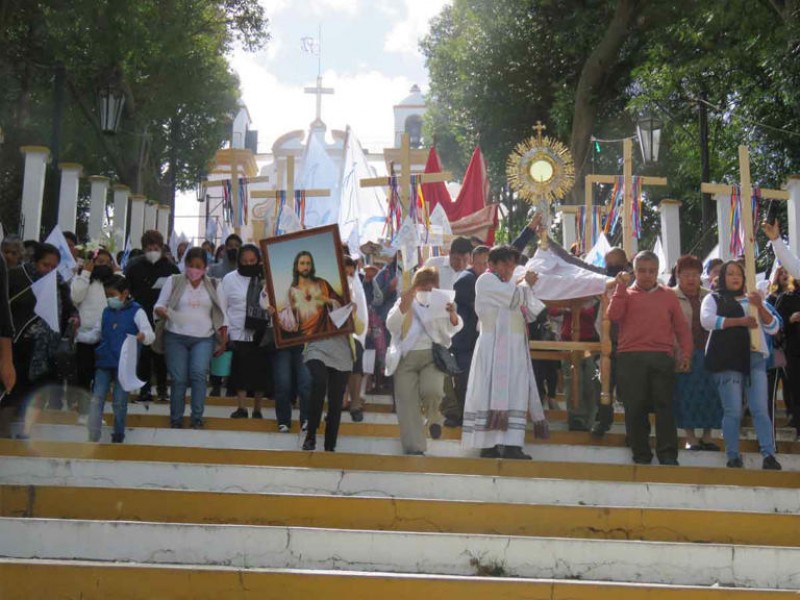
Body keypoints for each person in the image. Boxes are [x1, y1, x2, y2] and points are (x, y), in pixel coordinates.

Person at [462, 245, 549, 459]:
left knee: (516, 390)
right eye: (504, 263)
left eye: (512, 264)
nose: (509, 268)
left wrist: (526, 286)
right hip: (493, 346)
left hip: (515, 346)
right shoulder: (486, 280)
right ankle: (488, 444)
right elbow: (514, 299)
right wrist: (526, 283)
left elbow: (531, 312)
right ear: (491, 264)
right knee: (488, 389)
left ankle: (512, 445)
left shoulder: (510, 283)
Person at [607, 251, 692, 466]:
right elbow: (613, 315)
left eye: (652, 271)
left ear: (657, 271)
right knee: (635, 408)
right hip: (630, 358)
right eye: (642, 271)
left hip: (661, 357)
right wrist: (619, 289)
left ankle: (668, 455)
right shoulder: (624, 292)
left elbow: (682, 328)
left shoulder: (668, 296)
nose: (647, 275)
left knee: (665, 407)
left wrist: (686, 354)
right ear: (633, 271)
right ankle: (641, 455)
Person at [701, 260, 782, 470]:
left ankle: (769, 454)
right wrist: (739, 322)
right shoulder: (713, 298)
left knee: (760, 409)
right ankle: (733, 455)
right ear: (723, 278)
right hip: (727, 359)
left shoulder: (754, 299)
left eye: (739, 274)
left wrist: (760, 307)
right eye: (730, 274)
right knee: (733, 410)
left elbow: (773, 327)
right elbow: (707, 321)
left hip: (755, 358)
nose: (735, 278)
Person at [386, 267, 462, 454]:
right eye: (423, 284)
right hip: (406, 357)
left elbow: (453, 328)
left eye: (431, 284)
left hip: (431, 355)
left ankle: (434, 417)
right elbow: (391, 326)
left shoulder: (444, 301)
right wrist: (403, 308)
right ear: (415, 285)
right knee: (406, 403)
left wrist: (452, 314)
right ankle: (414, 447)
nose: (427, 288)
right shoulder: (404, 301)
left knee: (433, 390)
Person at [2, 243, 76, 437]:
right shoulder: (17, 277)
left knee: (34, 392)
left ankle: (24, 432)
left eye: (54, 266)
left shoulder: (59, 283)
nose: (49, 270)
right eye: (45, 265)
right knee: (12, 390)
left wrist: (73, 317)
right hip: (17, 345)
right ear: (35, 262)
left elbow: (68, 308)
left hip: (43, 349)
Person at [155, 247, 226, 429]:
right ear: (185, 265)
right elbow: (159, 305)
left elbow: (222, 314)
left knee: (198, 374)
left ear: (205, 267)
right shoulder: (174, 281)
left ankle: (197, 418)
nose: (194, 270)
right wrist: (163, 312)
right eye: (190, 265)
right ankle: (176, 418)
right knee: (178, 378)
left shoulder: (215, 284)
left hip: (204, 338)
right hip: (175, 337)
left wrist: (223, 339)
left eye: (198, 266)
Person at [302, 266, 366, 453]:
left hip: (342, 352)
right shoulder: (315, 297)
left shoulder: (349, 304)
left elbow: (360, 330)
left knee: (336, 399)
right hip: (317, 347)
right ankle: (311, 435)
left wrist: (352, 313)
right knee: (319, 382)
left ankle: (330, 445)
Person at [87, 275, 154, 443]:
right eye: (107, 295)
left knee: (119, 401)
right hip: (104, 361)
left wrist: (143, 335)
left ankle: (118, 434)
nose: (109, 298)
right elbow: (95, 334)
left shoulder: (137, 311)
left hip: (124, 365)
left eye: (112, 294)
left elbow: (150, 334)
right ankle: (93, 433)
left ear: (125, 293)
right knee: (97, 398)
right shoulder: (106, 312)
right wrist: (77, 336)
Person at [672, 255, 722, 451]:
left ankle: (708, 436)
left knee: (711, 393)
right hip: (683, 352)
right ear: (678, 275)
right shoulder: (670, 296)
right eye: (686, 275)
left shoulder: (711, 296)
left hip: (710, 351)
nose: (691, 279)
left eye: (695, 275)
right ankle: (690, 437)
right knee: (685, 395)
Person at [218, 244, 274, 421]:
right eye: (244, 261)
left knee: (260, 371)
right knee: (240, 370)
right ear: (239, 261)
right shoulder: (229, 279)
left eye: (252, 261)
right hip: (238, 330)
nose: (249, 264)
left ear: (258, 260)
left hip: (262, 331)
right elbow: (222, 307)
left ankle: (257, 409)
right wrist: (224, 331)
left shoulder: (267, 279)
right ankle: (241, 407)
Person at [125, 230, 179, 403]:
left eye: (156, 247)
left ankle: (163, 390)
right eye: (149, 248)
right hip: (140, 316)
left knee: (161, 355)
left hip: (163, 319)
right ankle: (144, 390)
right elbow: (127, 290)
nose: (153, 251)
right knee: (143, 356)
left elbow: (178, 291)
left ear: (162, 247)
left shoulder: (170, 268)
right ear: (143, 248)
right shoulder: (133, 266)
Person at [71, 249, 116, 394]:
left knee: (102, 375)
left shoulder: (115, 280)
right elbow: (76, 297)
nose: (104, 265)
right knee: (84, 372)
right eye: (100, 262)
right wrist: (85, 274)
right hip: (85, 335)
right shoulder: (82, 277)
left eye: (108, 263)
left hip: (107, 335)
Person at [277, 251, 344, 339]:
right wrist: (293, 309)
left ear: (311, 266)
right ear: (296, 267)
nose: (305, 267)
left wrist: (326, 300)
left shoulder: (322, 284)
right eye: (302, 263)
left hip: (326, 335)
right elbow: (286, 321)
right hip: (304, 339)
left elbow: (341, 306)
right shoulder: (291, 292)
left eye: (308, 263)